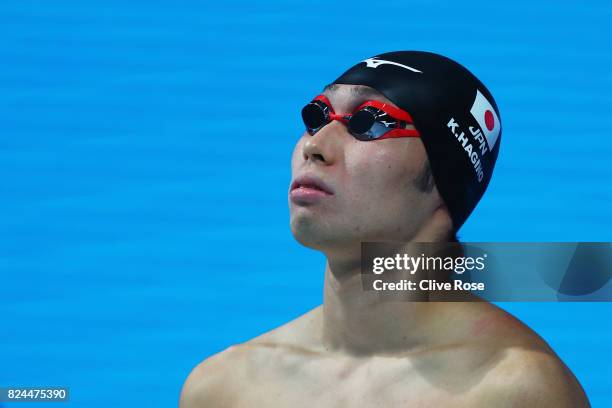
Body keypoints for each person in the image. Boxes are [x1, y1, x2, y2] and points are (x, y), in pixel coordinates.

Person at [180, 51, 589, 407]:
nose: (314, 145)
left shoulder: (513, 390)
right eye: (316, 116)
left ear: (444, 184)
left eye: (369, 123)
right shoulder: (223, 388)